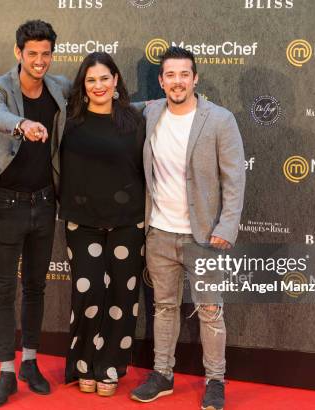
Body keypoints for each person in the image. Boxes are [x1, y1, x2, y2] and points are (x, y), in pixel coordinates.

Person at [130, 47, 246, 410]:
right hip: (159, 233)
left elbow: (234, 177)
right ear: (161, 81)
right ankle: (162, 374)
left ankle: (215, 381)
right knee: (164, 308)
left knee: (211, 310)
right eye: (170, 75)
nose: (177, 81)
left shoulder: (220, 119)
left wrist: (227, 225)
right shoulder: (149, 113)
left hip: (205, 236)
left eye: (185, 74)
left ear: (195, 78)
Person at [0, 20, 70, 408]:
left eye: (46, 54)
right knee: (4, 291)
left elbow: (98, 100)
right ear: (18, 53)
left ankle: (30, 362)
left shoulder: (59, 87)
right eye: (32, 54)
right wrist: (23, 124)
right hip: (7, 206)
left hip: (45, 204)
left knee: (37, 288)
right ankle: (6, 372)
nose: (40, 61)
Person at [59, 52, 145, 397]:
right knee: (88, 293)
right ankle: (84, 364)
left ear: (116, 81)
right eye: (91, 80)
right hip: (83, 224)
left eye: (104, 79)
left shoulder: (135, 120)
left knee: (123, 298)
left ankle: (110, 367)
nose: (98, 86)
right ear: (83, 84)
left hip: (128, 222)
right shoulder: (69, 120)